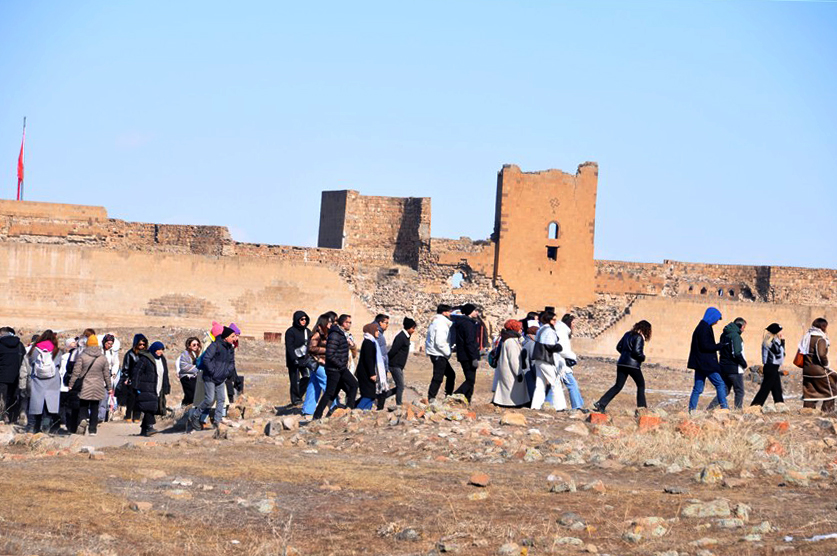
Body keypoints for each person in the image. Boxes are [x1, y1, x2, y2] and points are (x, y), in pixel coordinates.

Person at [593, 320, 652, 412]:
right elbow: (636, 352)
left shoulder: (627, 334)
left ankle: (601, 403)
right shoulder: (639, 337)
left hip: (621, 363)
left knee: (618, 386)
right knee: (640, 385)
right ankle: (642, 408)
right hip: (632, 366)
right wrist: (642, 357)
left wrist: (625, 355)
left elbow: (618, 347)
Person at [190, 327, 237, 431]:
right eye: (232, 336)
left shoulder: (230, 348)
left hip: (221, 378)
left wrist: (226, 373)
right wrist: (213, 372)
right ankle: (195, 416)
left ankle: (217, 421)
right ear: (226, 337)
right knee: (209, 399)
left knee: (221, 399)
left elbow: (231, 363)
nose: (235, 338)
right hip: (210, 377)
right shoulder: (214, 345)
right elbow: (207, 359)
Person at [313, 314, 358, 419]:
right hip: (335, 369)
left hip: (339, 368)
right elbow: (330, 355)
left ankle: (347, 410)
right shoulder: (335, 334)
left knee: (348, 386)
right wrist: (341, 365)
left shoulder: (341, 334)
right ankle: (317, 415)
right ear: (343, 323)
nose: (350, 324)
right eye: (348, 322)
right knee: (331, 392)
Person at [68, 334, 112, 436]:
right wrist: (109, 388)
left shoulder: (82, 356)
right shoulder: (103, 358)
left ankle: (83, 419)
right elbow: (106, 374)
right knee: (95, 407)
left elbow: (76, 372)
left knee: (83, 405)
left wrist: (71, 384)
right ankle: (93, 430)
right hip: (98, 385)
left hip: (85, 384)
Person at [687, 307, 728, 412]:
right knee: (720, 384)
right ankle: (724, 408)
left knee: (698, 388)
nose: (717, 322)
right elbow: (705, 346)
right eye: (716, 319)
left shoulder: (703, 326)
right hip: (706, 363)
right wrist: (720, 346)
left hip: (700, 363)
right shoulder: (704, 328)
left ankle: (692, 410)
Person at [530, 312, 568, 411]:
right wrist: (559, 347)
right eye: (553, 320)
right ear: (548, 320)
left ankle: (535, 405)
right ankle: (560, 406)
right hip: (546, 359)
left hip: (538, 359)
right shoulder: (549, 331)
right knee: (555, 383)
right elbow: (550, 345)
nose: (555, 322)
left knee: (540, 384)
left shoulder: (541, 329)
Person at [26, 330, 62, 433]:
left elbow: (30, 362)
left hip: (37, 379)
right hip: (52, 381)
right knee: (49, 405)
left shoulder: (34, 349)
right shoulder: (57, 350)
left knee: (36, 404)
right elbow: (59, 365)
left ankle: (33, 428)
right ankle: (46, 426)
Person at [709, 318, 748, 410]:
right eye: (744, 327)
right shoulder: (735, 336)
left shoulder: (724, 334)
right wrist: (744, 364)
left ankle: (710, 409)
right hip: (734, 369)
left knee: (725, 390)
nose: (744, 329)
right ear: (741, 326)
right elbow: (737, 353)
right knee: (739, 391)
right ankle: (738, 411)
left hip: (723, 367)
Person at [492, 320, 530, 407]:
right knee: (511, 388)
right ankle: (510, 403)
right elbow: (514, 359)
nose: (521, 330)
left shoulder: (508, 338)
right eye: (520, 328)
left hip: (508, 368)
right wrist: (518, 372)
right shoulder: (511, 341)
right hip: (511, 370)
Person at [303, 313, 333, 417]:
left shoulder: (325, 333)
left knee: (314, 385)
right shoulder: (317, 334)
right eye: (329, 322)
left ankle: (308, 409)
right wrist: (327, 350)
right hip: (318, 363)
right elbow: (311, 348)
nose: (330, 324)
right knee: (328, 384)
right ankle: (334, 407)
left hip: (319, 363)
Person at [801, 318, 834, 411]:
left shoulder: (807, 337)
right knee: (832, 390)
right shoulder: (820, 339)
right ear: (823, 327)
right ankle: (827, 412)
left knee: (810, 393)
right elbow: (821, 355)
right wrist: (826, 365)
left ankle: (807, 411)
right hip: (818, 370)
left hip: (806, 370)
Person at [356, 323, 391, 410]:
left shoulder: (372, 342)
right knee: (368, 395)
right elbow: (369, 360)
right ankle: (358, 410)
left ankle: (366, 412)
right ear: (371, 331)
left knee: (371, 395)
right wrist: (372, 374)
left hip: (367, 372)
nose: (378, 333)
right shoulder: (368, 343)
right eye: (376, 331)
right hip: (366, 373)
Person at [451, 304, 481, 403]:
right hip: (468, 356)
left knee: (471, 380)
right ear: (469, 312)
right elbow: (469, 342)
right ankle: (455, 396)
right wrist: (473, 358)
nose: (477, 313)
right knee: (470, 380)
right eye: (475, 311)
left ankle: (467, 400)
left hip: (464, 355)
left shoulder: (465, 322)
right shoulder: (467, 324)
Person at [426, 304, 456, 401]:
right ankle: (432, 397)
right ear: (444, 312)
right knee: (438, 376)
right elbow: (439, 342)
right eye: (449, 311)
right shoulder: (440, 324)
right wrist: (448, 352)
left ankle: (447, 395)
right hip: (438, 353)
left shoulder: (437, 322)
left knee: (450, 374)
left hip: (437, 353)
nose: (450, 314)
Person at [751, 323, 786, 407]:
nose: (781, 333)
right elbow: (778, 352)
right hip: (770, 367)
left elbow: (782, 353)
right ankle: (755, 405)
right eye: (780, 331)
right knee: (765, 388)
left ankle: (780, 404)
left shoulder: (775, 341)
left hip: (774, 367)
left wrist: (782, 342)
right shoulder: (770, 341)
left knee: (777, 388)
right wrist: (782, 341)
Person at [556, 314, 585, 411]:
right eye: (573, 323)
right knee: (572, 384)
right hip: (562, 364)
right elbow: (562, 349)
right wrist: (573, 357)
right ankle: (577, 406)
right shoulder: (562, 332)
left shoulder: (563, 331)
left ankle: (579, 405)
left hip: (561, 362)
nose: (574, 325)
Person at [285, 311, 311, 407]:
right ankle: (295, 399)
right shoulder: (290, 332)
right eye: (301, 319)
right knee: (295, 380)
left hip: (304, 360)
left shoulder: (307, 332)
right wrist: (293, 359)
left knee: (307, 377)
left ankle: (299, 395)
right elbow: (289, 347)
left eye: (305, 319)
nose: (304, 321)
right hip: (294, 360)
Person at [119, 334, 148, 422]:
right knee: (131, 398)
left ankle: (137, 417)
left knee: (140, 398)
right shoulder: (130, 354)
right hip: (132, 379)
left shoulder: (146, 354)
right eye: (140, 344)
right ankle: (128, 416)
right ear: (136, 344)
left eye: (143, 344)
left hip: (142, 380)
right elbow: (126, 367)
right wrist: (126, 378)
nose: (142, 346)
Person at [387, 317, 415, 406]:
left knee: (400, 386)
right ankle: (398, 404)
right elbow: (393, 350)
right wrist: (386, 360)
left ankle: (382, 396)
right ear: (408, 328)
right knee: (400, 386)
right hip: (395, 365)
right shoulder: (401, 337)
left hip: (399, 365)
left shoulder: (406, 337)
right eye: (413, 328)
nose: (414, 330)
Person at [0, 327, 25, 424]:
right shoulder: (19, 345)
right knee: (14, 397)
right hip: (17, 376)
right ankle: (13, 418)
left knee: (2, 397)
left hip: (2, 376)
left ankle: (2, 418)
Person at [98, 334, 120, 423]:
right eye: (108, 343)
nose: (110, 345)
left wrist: (114, 372)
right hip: (98, 376)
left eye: (111, 344)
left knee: (104, 397)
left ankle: (101, 417)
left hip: (108, 377)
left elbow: (116, 363)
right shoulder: (99, 351)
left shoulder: (112, 353)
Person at [176, 337, 201, 406]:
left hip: (193, 377)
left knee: (190, 396)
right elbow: (184, 367)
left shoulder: (196, 354)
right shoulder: (185, 353)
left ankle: (183, 408)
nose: (196, 346)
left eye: (197, 344)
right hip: (187, 378)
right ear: (189, 346)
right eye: (194, 345)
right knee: (192, 396)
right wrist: (198, 368)